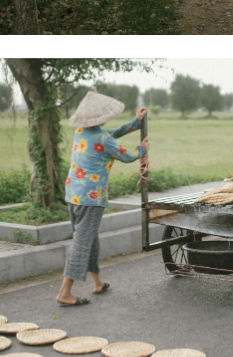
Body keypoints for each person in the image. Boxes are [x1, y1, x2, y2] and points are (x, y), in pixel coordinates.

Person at [55, 92, 148, 307]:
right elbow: (126, 155)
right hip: (91, 197)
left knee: (88, 236)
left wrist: (135, 123)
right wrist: (142, 149)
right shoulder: (104, 139)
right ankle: (64, 292)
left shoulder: (81, 132)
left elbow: (110, 135)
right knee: (82, 240)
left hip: (74, 193)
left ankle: (97, 282)